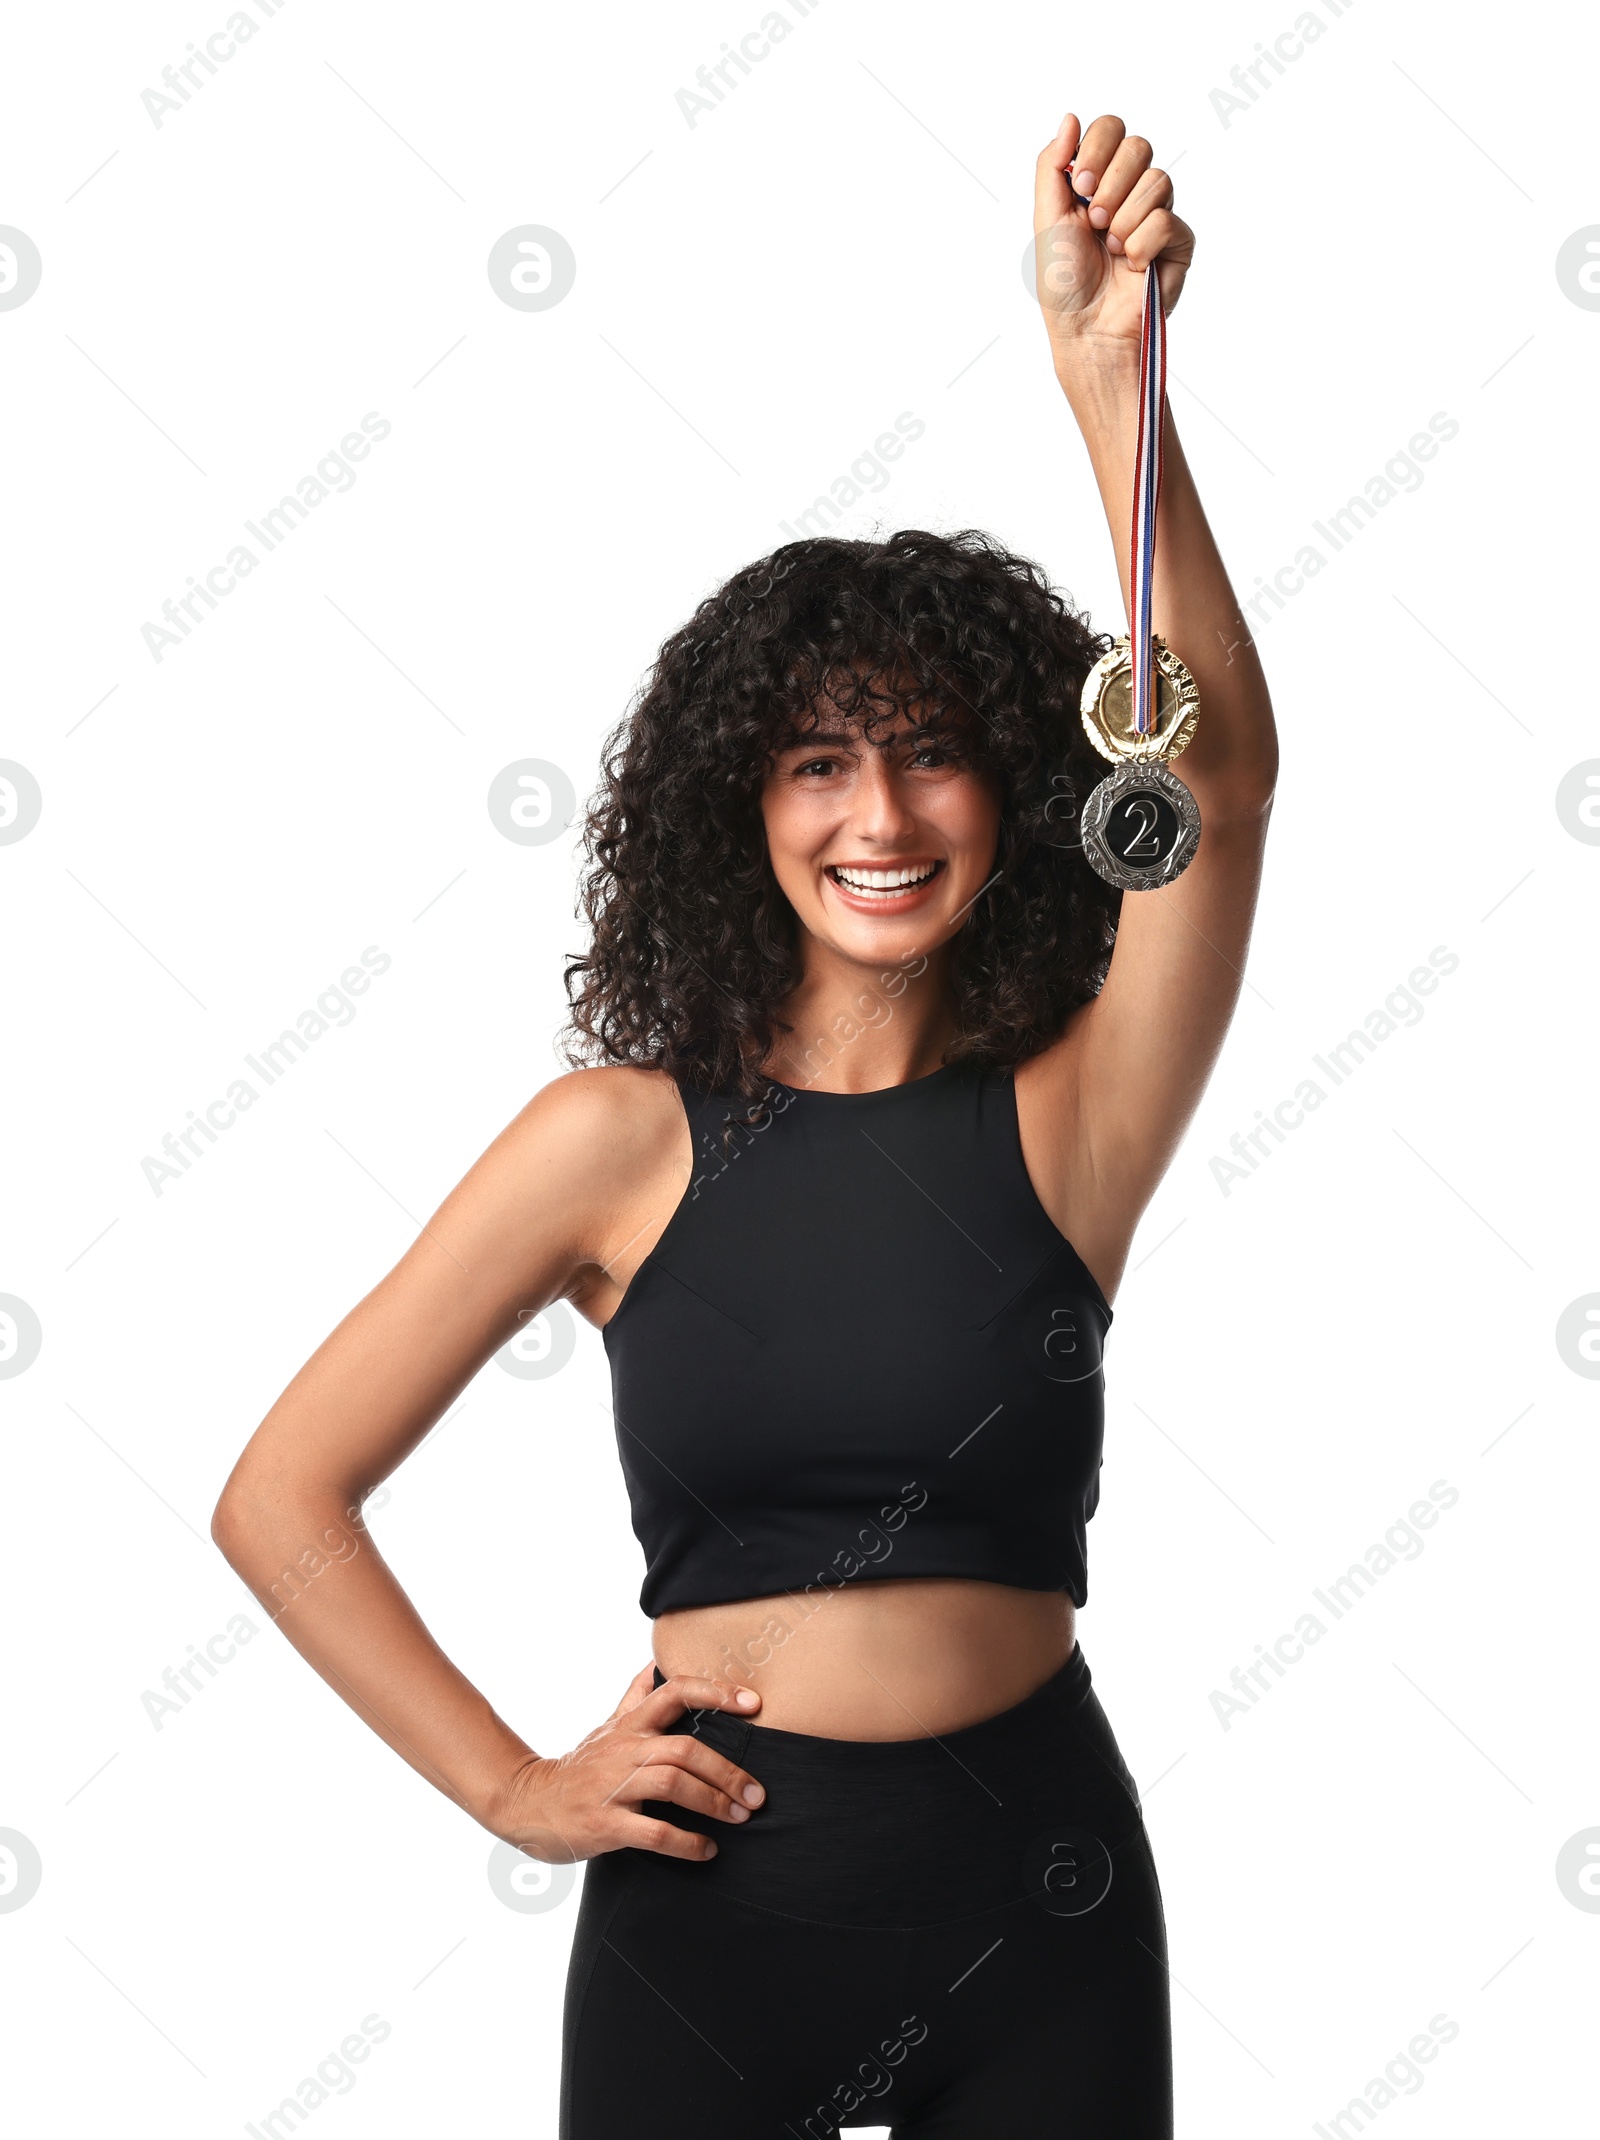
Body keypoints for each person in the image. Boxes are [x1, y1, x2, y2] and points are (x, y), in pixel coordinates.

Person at [213, 110, 1276, 2138]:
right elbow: (281, 1493)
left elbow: (1212, 790)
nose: (876, 817)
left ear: (1012, 793)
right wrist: (517, 1785)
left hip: (1037, 1893)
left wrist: (1113, 384)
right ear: (743, 807)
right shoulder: (608, 1141)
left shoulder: (1070, 1110)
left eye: (930, 757)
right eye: (814, 762)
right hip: (714, 1918)